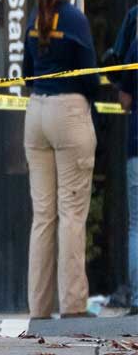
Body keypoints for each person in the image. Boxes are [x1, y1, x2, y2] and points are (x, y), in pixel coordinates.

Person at [23, 0, 99, 319]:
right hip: (68, 114)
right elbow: (90, 76)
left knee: (43, 215)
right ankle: (72, 305)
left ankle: (38, 307)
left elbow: (25, 71)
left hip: (35, 114)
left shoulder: (36, 16)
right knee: (71, 213)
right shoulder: (74, 20)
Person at [116, 29, 138, 316]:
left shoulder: (135, 47)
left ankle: (137, 299)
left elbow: (124, 101)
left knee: (136, 225)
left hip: (137, 146)